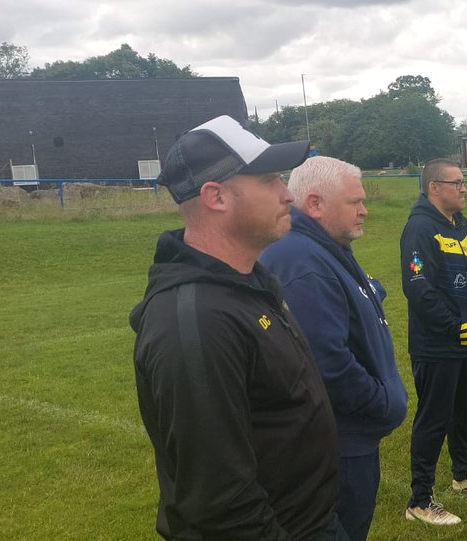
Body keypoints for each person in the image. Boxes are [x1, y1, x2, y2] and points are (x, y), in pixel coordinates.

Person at [129, 115, 348, 540]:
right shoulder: (196, 320)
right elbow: (218, 503)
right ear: (216, 197)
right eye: (269, 180)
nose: (288, 195)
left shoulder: (250, 281)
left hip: (315, 518)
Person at [260, 156, 408, 541]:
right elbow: (327, 364)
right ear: (314, 204)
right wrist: (382, 403)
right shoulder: (301, 260)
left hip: (350, 439)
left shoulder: (324, 248)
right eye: (354, 202)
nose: (365, 210)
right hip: (338, 445)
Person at [400, 158, 467, 526]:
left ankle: (463, 474)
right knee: (433, 419)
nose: (464, 188)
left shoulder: (462, 223)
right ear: (434, 188)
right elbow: (418, 287)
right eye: (456, 182)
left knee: (464, 411)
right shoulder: (418, 229)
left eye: (463, 182)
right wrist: (455, 326)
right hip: (438, 345)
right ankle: (420, 500)